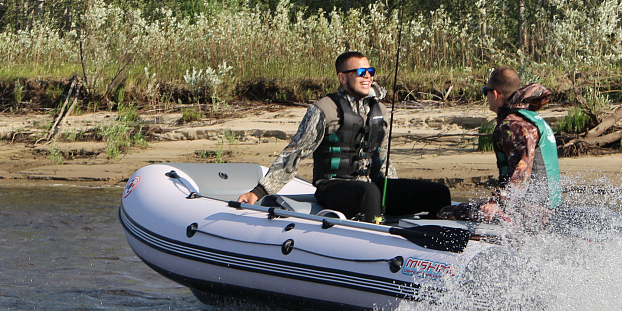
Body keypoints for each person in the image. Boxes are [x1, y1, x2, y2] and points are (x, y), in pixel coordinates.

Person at [237, 51, 451, 222]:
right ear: (342, 77)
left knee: (438, 193)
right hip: (333, 188)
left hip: (372, 185)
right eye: (360, 72)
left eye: (370, 70)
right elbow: (295, 153)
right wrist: (258, 192)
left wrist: (393, 189)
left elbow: (382, 158)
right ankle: (370, 244)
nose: (367, 76)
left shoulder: (380, 111)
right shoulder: (324, 110)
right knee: (370, 193)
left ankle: (436, 245)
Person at [440, 67, 561, 224]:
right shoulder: (531, 118)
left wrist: (495, 205)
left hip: (531, 212)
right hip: (547, 209)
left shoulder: (513, 124)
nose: (486, 96)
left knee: (445, 212)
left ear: (495, 94)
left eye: (485, 91)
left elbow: (521, 174)